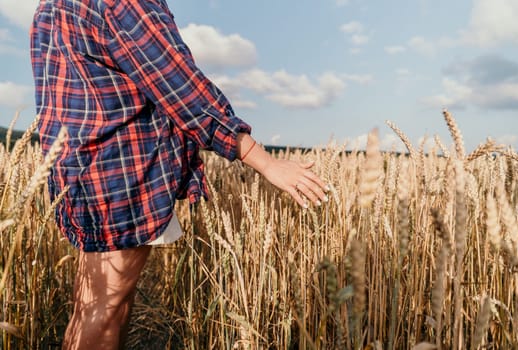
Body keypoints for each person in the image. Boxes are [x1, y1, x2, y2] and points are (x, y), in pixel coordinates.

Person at [30, 0, 329, 348]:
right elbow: (183, 90)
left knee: (101, 304)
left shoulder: (51, 4)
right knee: (104, 310)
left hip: (84, 169)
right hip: (122, 173)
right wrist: (265, 162)